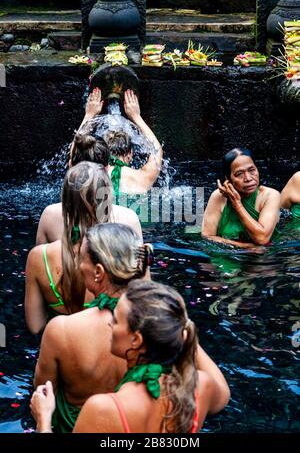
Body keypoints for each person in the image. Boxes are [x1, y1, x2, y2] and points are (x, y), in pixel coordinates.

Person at [31, 280, 230, 434]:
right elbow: (223, 395)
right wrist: (182, 331)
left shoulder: (104, 409)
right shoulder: (201, 386)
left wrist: (44, 420)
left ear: (136, 340)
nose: (110, 324)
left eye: (116, 320)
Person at [31, 223, 152, 433]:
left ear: (98, 272)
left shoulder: (60, 330)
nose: (78, 265)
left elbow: (42, 392)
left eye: (82, 258)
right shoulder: (161, 326)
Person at [26, 162, 141, 335]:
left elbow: (35, 326)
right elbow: (140, 314)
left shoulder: (38, 256)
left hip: (62, 348)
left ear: (65, 204)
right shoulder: (123, 255)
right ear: (107, 203)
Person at [36, 131, 142, 245]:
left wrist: (88, 117)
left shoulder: (49, 216)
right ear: (106, 169)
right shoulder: (129, 219)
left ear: (71, 165)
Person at [79, 88, 163, 195]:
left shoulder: (88, 177)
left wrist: (89, 115)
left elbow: (74, 154)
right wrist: (136, 116)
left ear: (102, 152)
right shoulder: (142, 178)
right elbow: (157, 151)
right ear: (130, 154)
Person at [202, 148, 281, 247]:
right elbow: (207, 237)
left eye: (252, 170)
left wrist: (237, 204)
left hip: (263, 259)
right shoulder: (218, 196)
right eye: (239, 174)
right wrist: (246, 247)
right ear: (228, 178)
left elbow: (262, 239)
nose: (248, 178)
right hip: (226, 256)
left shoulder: (270, 195)